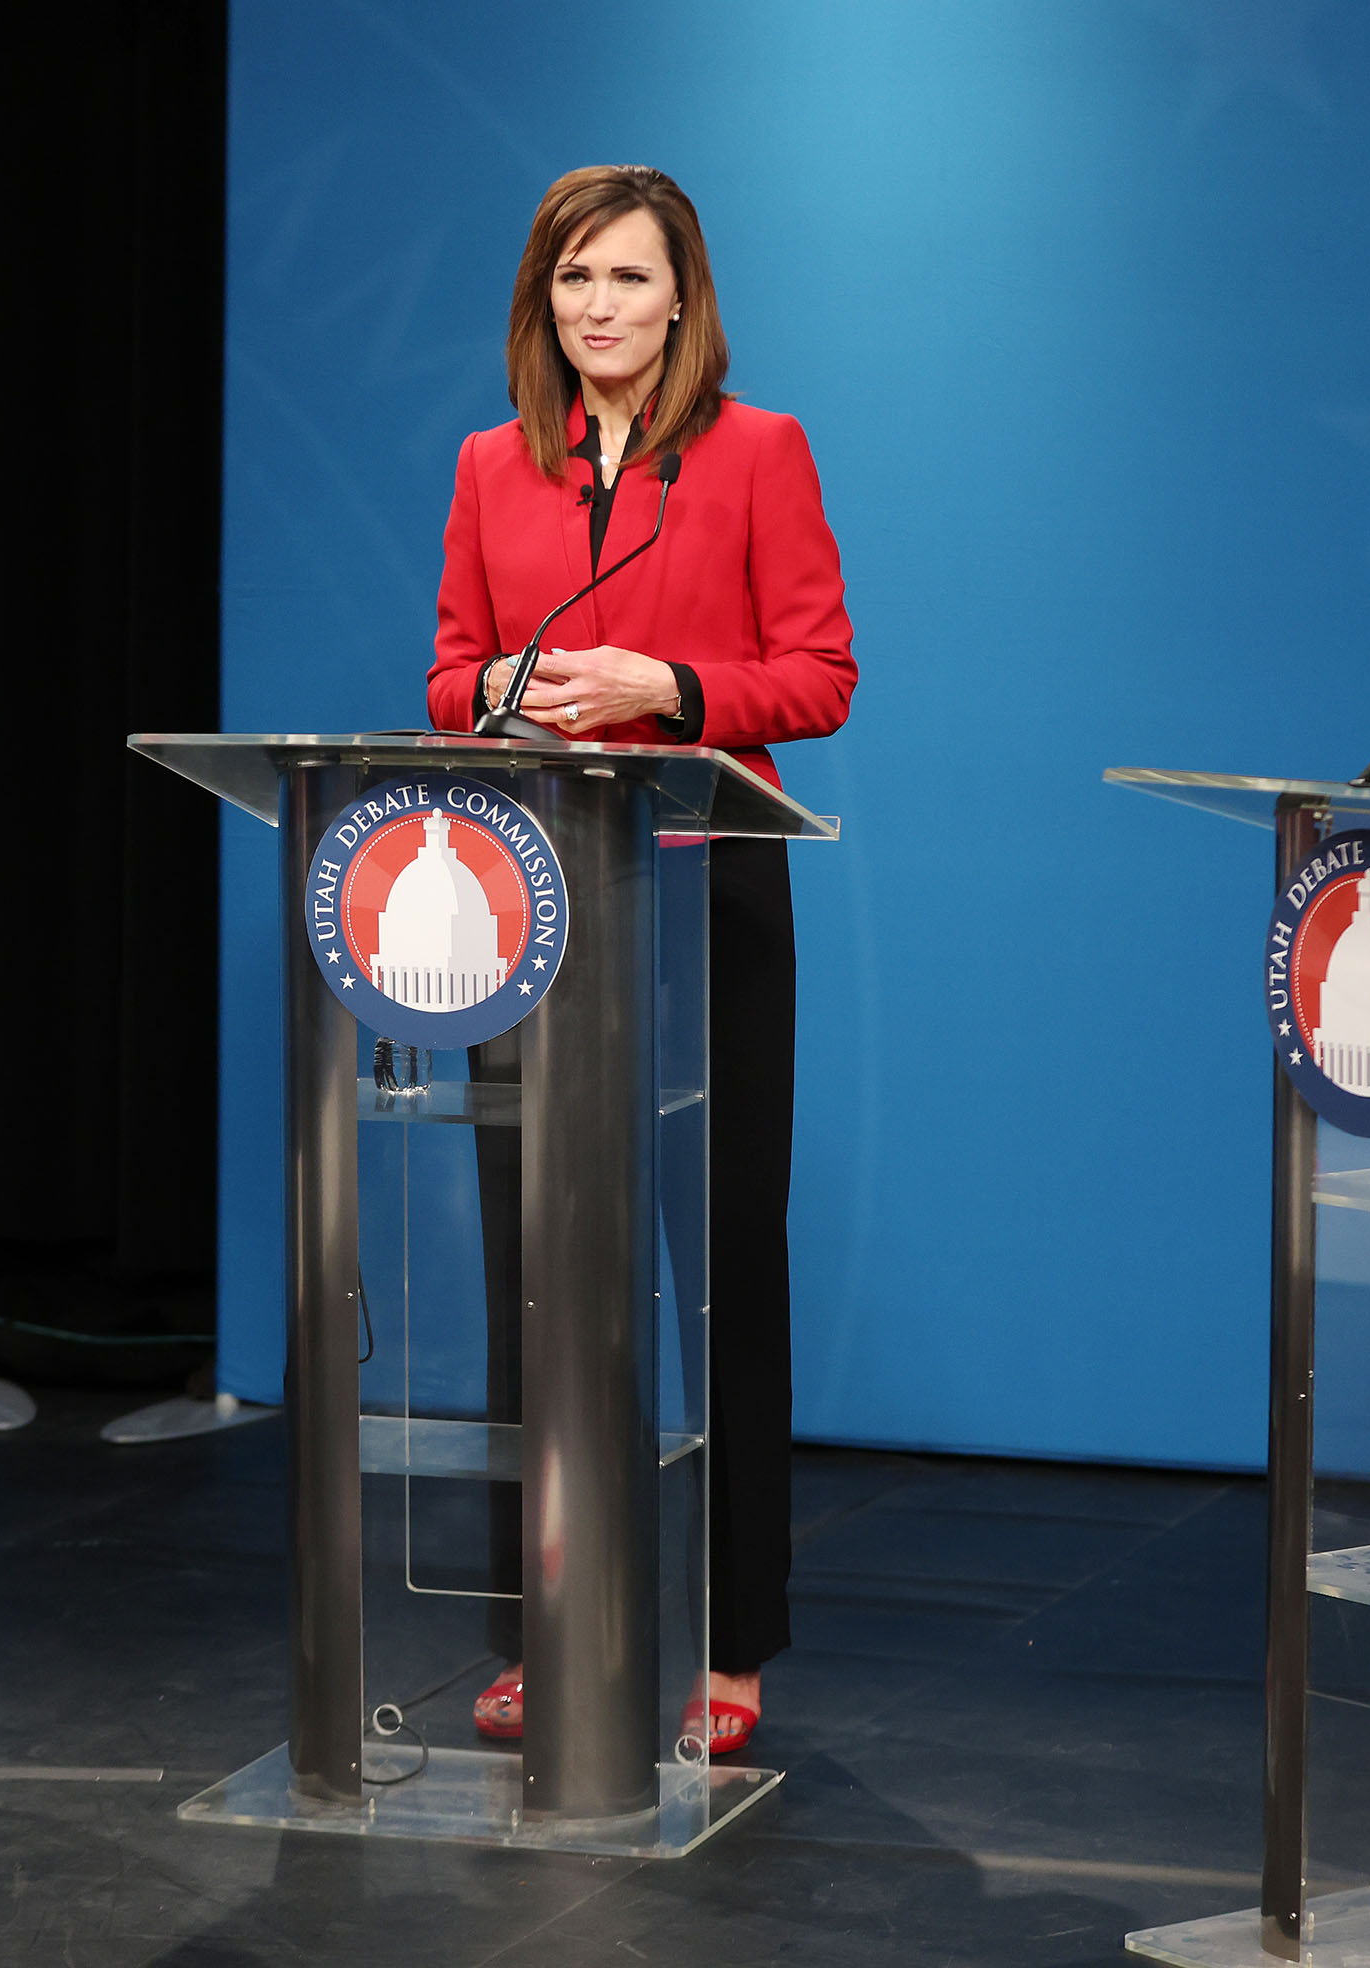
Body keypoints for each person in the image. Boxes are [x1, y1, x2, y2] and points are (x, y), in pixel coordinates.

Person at [427, 165, 856, 1756]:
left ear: (685, 296)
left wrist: (664, 686)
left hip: (710, 893)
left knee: (721, 1266)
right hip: (528, 904)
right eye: (570, 283)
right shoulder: (491, 467)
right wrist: (515, 694)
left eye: (625, 277)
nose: (598, 307)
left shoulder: (757, 456)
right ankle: (544, 1620)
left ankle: (730, 1641)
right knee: (533, 1280)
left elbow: (820, 676)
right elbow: (450, 675)